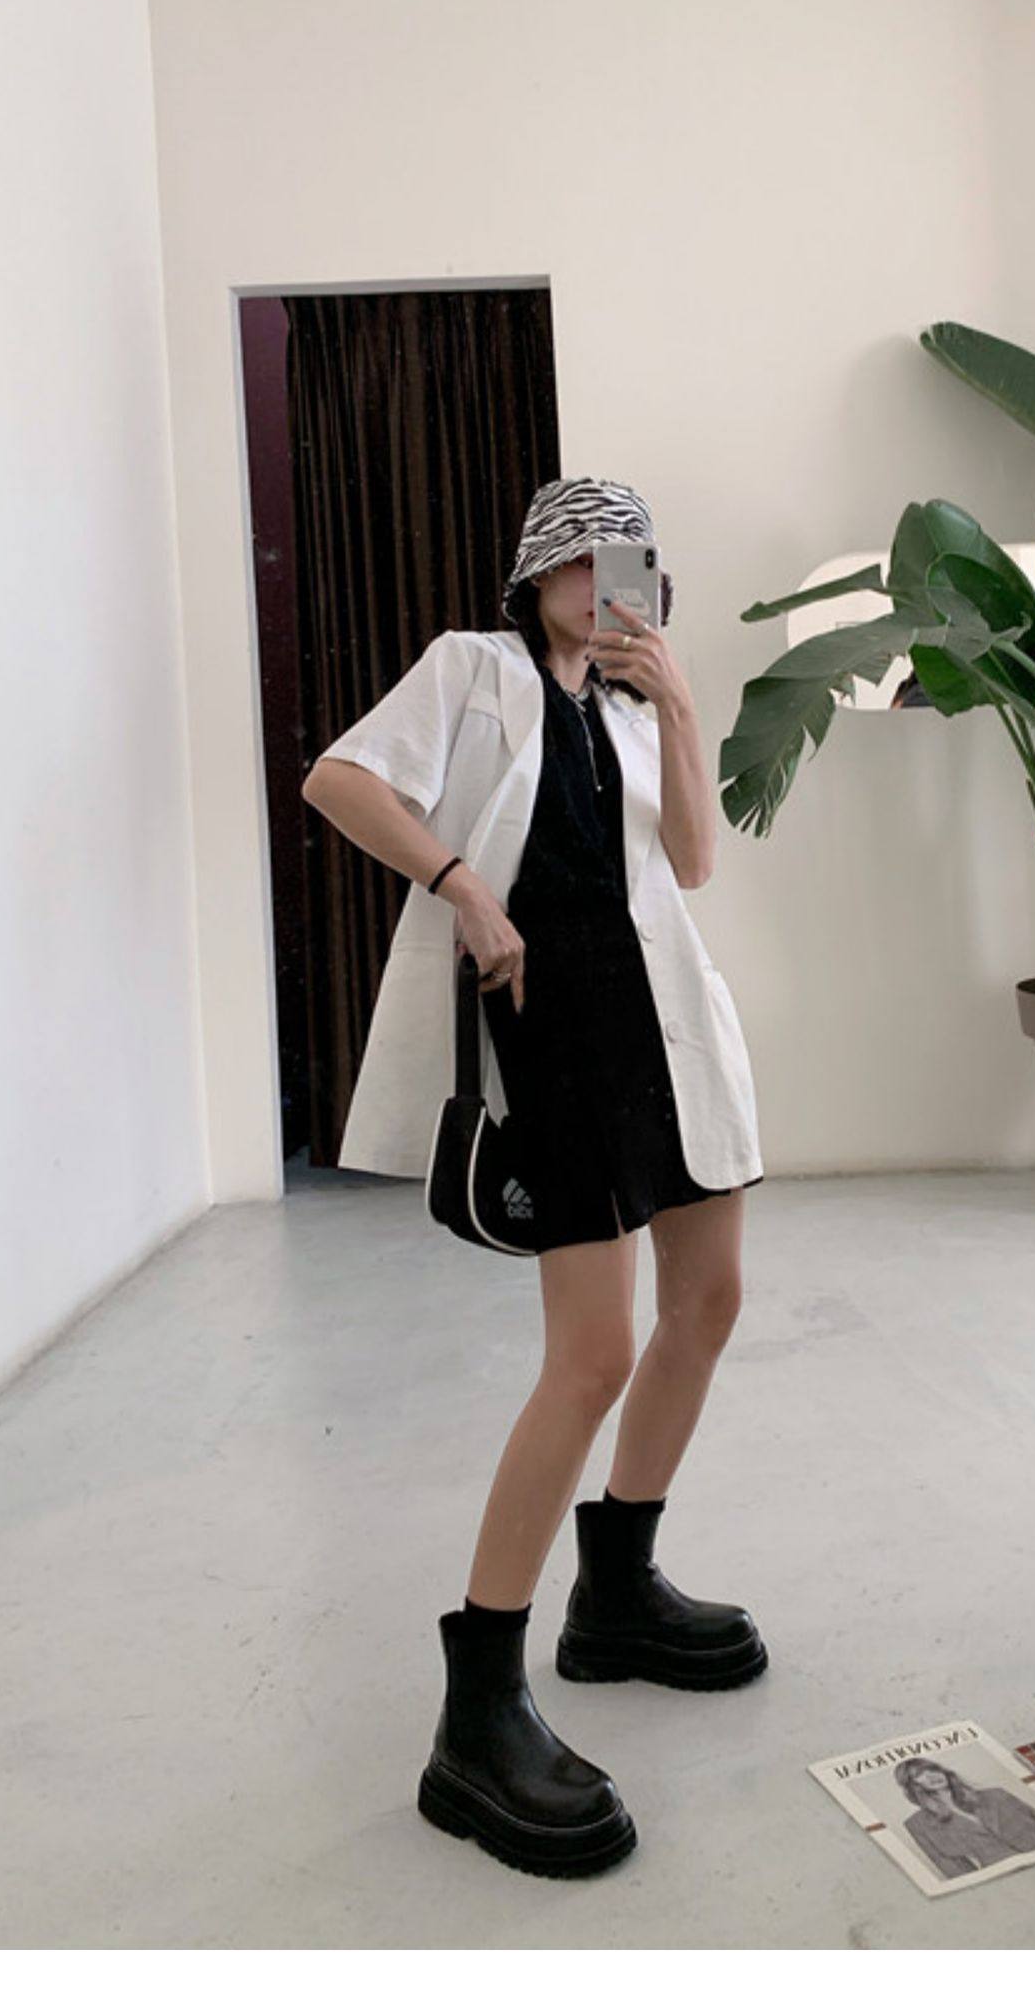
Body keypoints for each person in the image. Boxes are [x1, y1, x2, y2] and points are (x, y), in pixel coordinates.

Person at [301, 477, 766, 1880]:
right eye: (590, 562)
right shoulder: (473, 670)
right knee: (592, 1356)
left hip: (666, 1026)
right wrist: (462, 883)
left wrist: (677, 701)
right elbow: (340, 779)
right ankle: (478, 1708)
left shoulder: (631, 708)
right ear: (540, 573)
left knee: (711, 1301)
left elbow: (694, 861)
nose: (616, 587)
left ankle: (615, 1594)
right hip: (554, 1036)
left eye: (639, 568)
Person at [893, 1758, 1035, 1881]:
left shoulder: (996, 1795)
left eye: (932, 1769)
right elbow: (955, 1872)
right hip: (1007, 1881)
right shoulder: (918, 1825)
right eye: (920, 1774)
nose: (932, 1776)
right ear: (913, 1785)